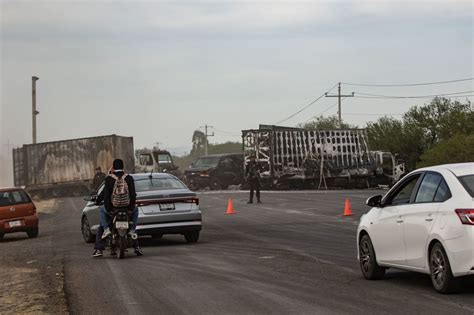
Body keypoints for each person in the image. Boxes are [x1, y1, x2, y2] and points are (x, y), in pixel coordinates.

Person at [92, 159, 143, 257]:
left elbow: (106, 196)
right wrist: (130, 208)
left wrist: (109, 209)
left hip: (113, 209)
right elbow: (133, 195)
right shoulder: (129, 178)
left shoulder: (109, 179)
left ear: (113, 167)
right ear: (123, 167)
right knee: (133, 218)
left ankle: (100, 247)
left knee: (101, 222)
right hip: (127, 208)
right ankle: (136, 246)